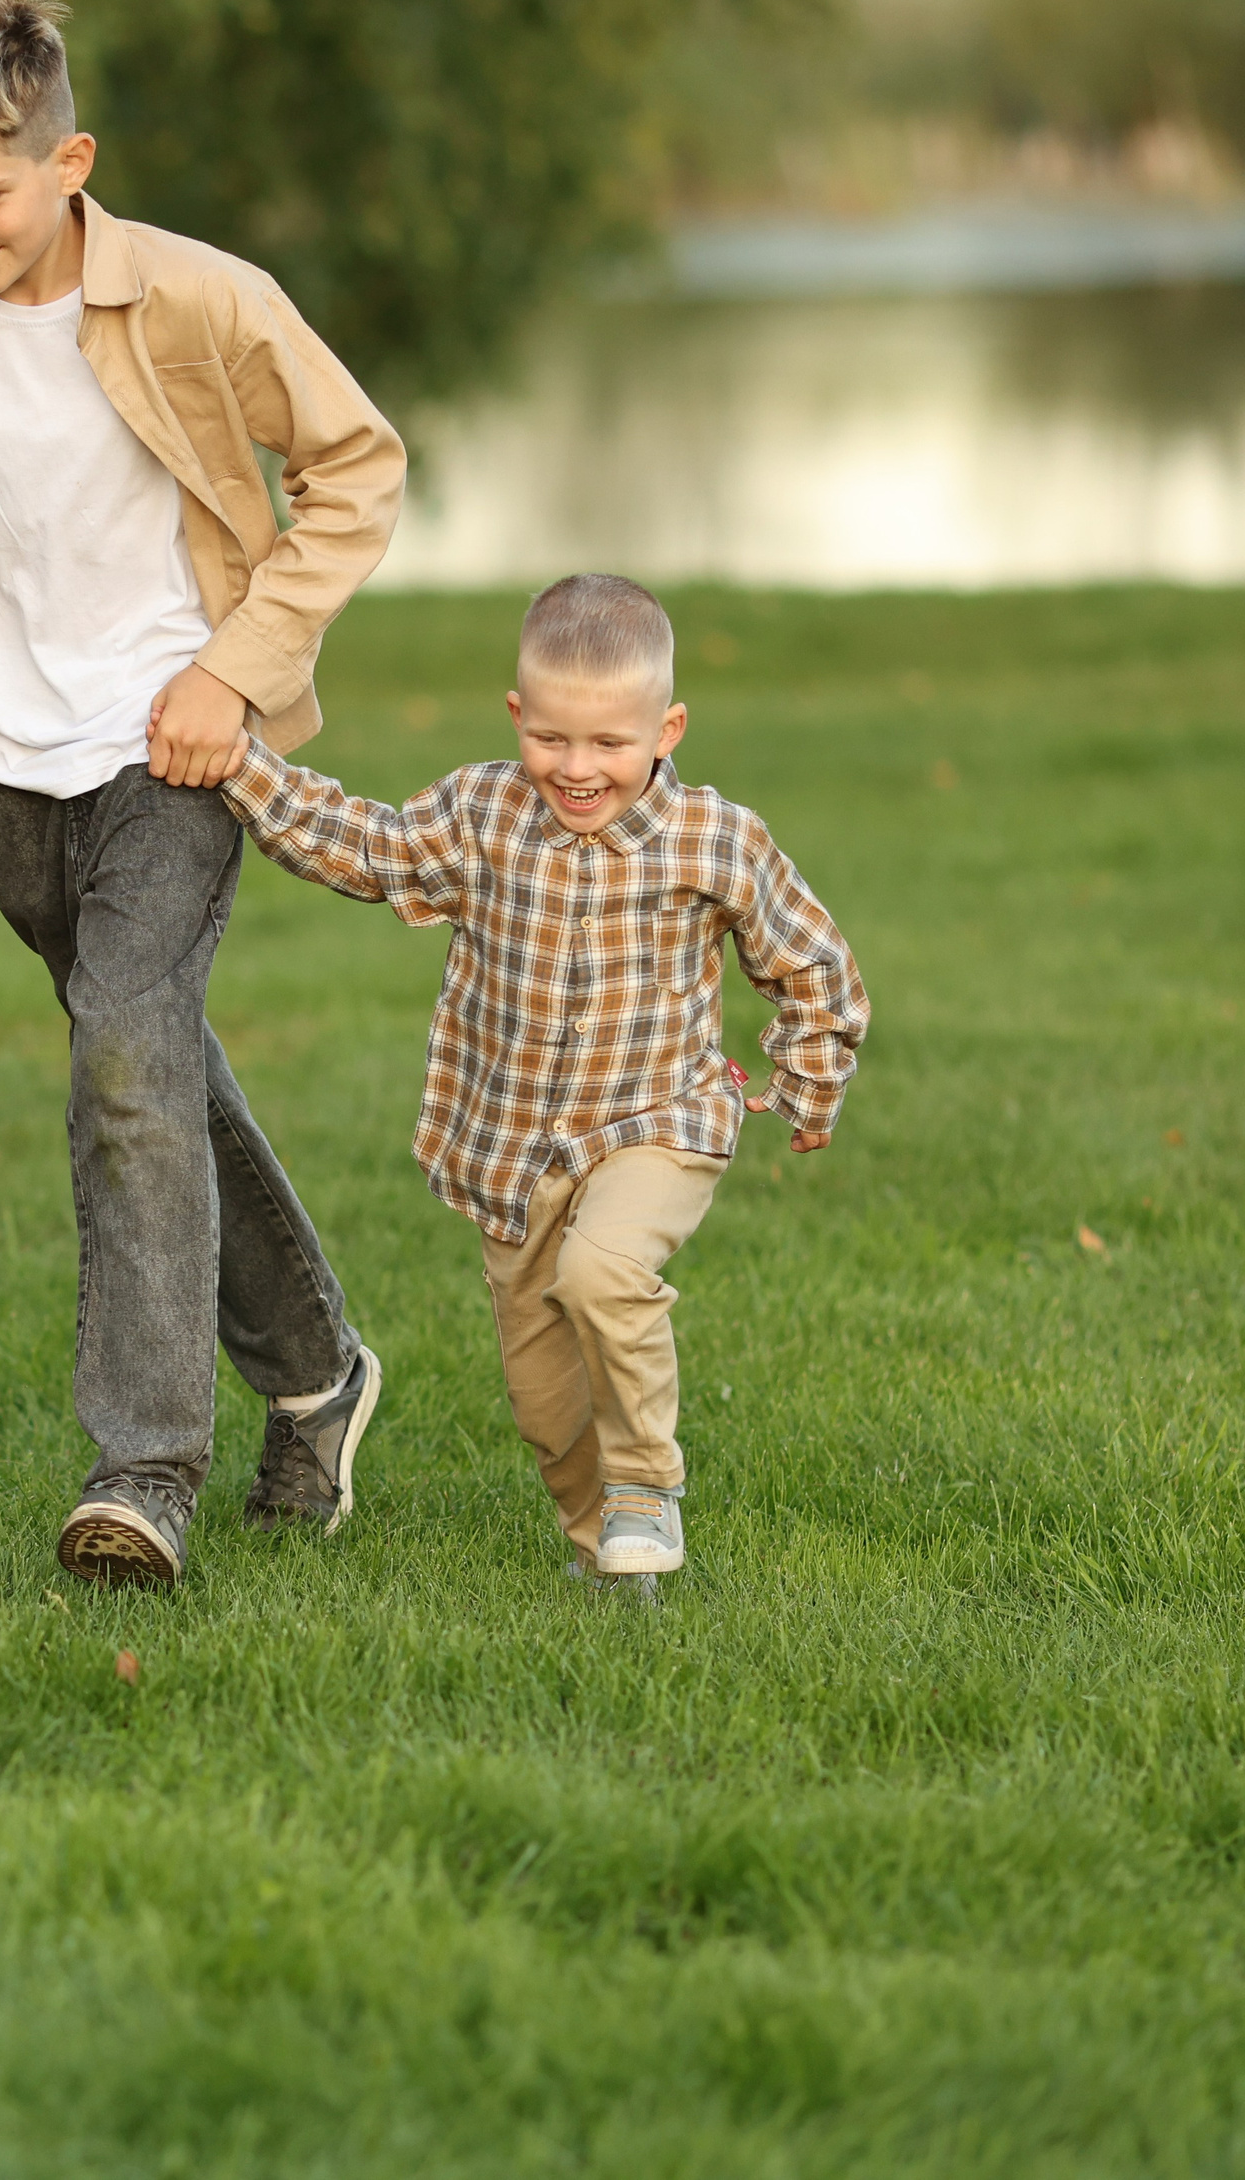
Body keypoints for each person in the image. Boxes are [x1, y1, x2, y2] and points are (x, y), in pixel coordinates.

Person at [0, 0, 407, 1587]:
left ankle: (142, 1469)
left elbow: (358, 467)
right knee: (147, 1061)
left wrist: (237, 669)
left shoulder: (203, 299)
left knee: (126, 1065)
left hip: (172, 735)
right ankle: (320, 1373)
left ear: (73, 166)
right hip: (3, 762)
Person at [214, 574, 869, 1581]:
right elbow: (370, 850)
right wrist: (241, 767)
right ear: (517, 715)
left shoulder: (712, 839)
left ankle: (647, 1489)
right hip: (511, 1148)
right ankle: (602, 1557)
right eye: (551, 737)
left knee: (604, 1274)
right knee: (544, 1405)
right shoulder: (482, 813)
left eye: (609, 743)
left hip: (658, 1121)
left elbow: (808, 961)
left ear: (666, 726)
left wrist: (809, 1081)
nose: (576, 768)